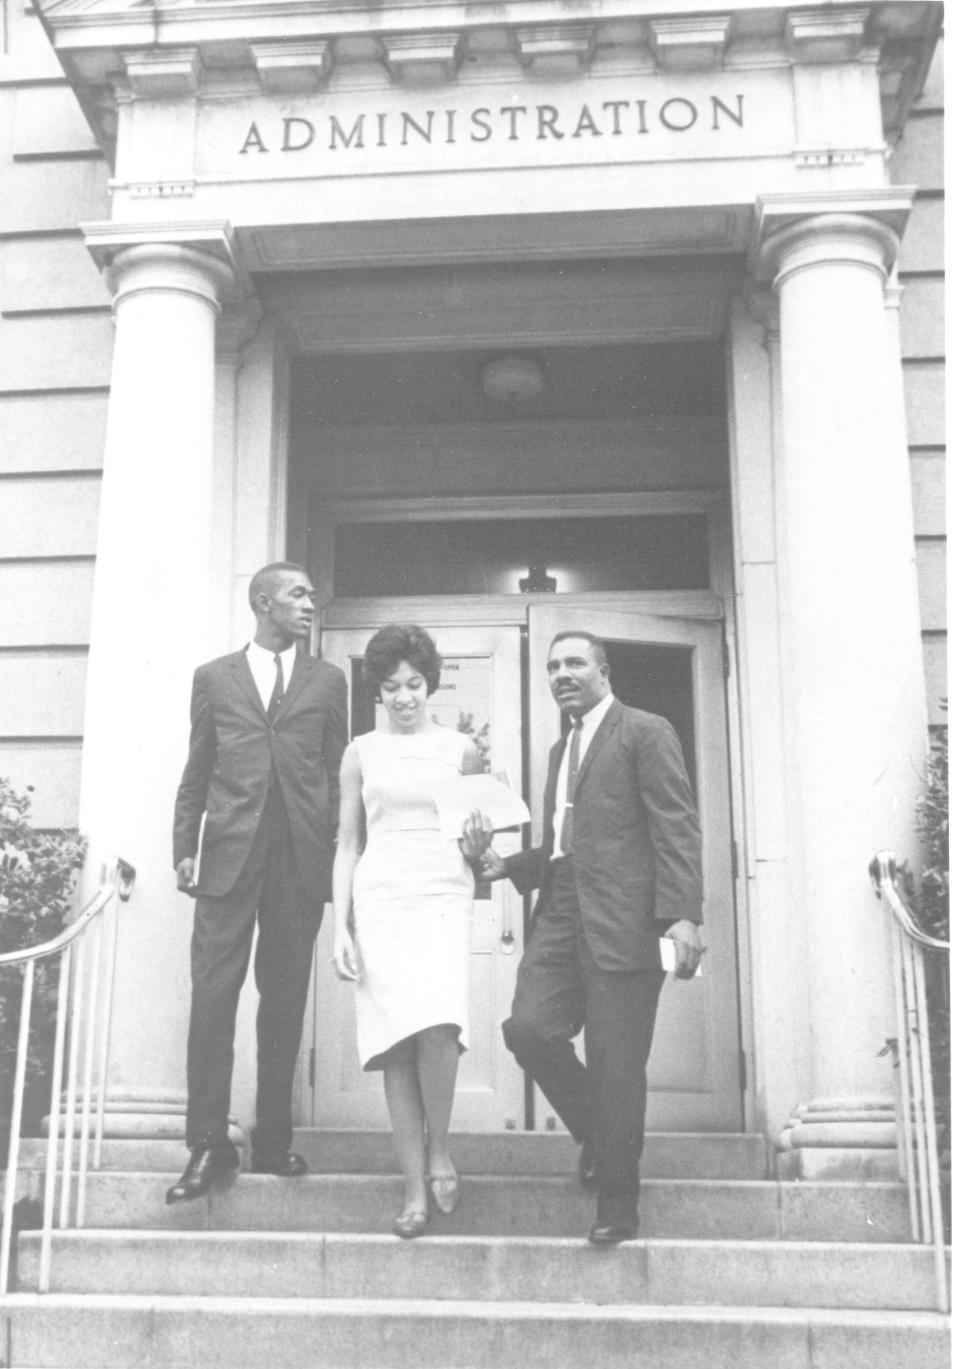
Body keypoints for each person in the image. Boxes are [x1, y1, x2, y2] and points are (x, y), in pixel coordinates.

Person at [483, 631, 703, 1245]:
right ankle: (603, 1140)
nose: (561, 674)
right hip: (559, 915)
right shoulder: (562, 750)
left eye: (574, 663)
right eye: (553, 667)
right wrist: (511, 867)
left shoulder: (645, 731)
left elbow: (676, 826)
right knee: (527, 1029)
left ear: (604, 671)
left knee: (616, 1065)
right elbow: (565, 850)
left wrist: (683, 914)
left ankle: (617, 1203)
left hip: (627, 924)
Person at [168, 561, 347, 1203]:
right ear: (263, 602)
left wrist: (335, 854)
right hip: (227, 859)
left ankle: (273, 1138)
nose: (309, 602)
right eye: (298, 593)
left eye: (310, 592)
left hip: (298, 861)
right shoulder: (215, 678)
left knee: (284, 1002)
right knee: (214, 998)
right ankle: (208, 1145)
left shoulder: (329, 682)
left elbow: (336, 773)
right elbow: (197, 770)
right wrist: (184, 845)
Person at [331, 624, 491, 1239]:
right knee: (396, 1040)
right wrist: (341, 924)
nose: (403, 697)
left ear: (431, 684)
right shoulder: (360, 751)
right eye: (392, 686)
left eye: (414, 684)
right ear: (378, 689)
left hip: (442, 891)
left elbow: (476, 838)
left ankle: (441, 1147)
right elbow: (347, 843)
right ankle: (413, 1185)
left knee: (440, 1027)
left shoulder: (461, 749)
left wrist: (479, 848)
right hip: (381, 897)